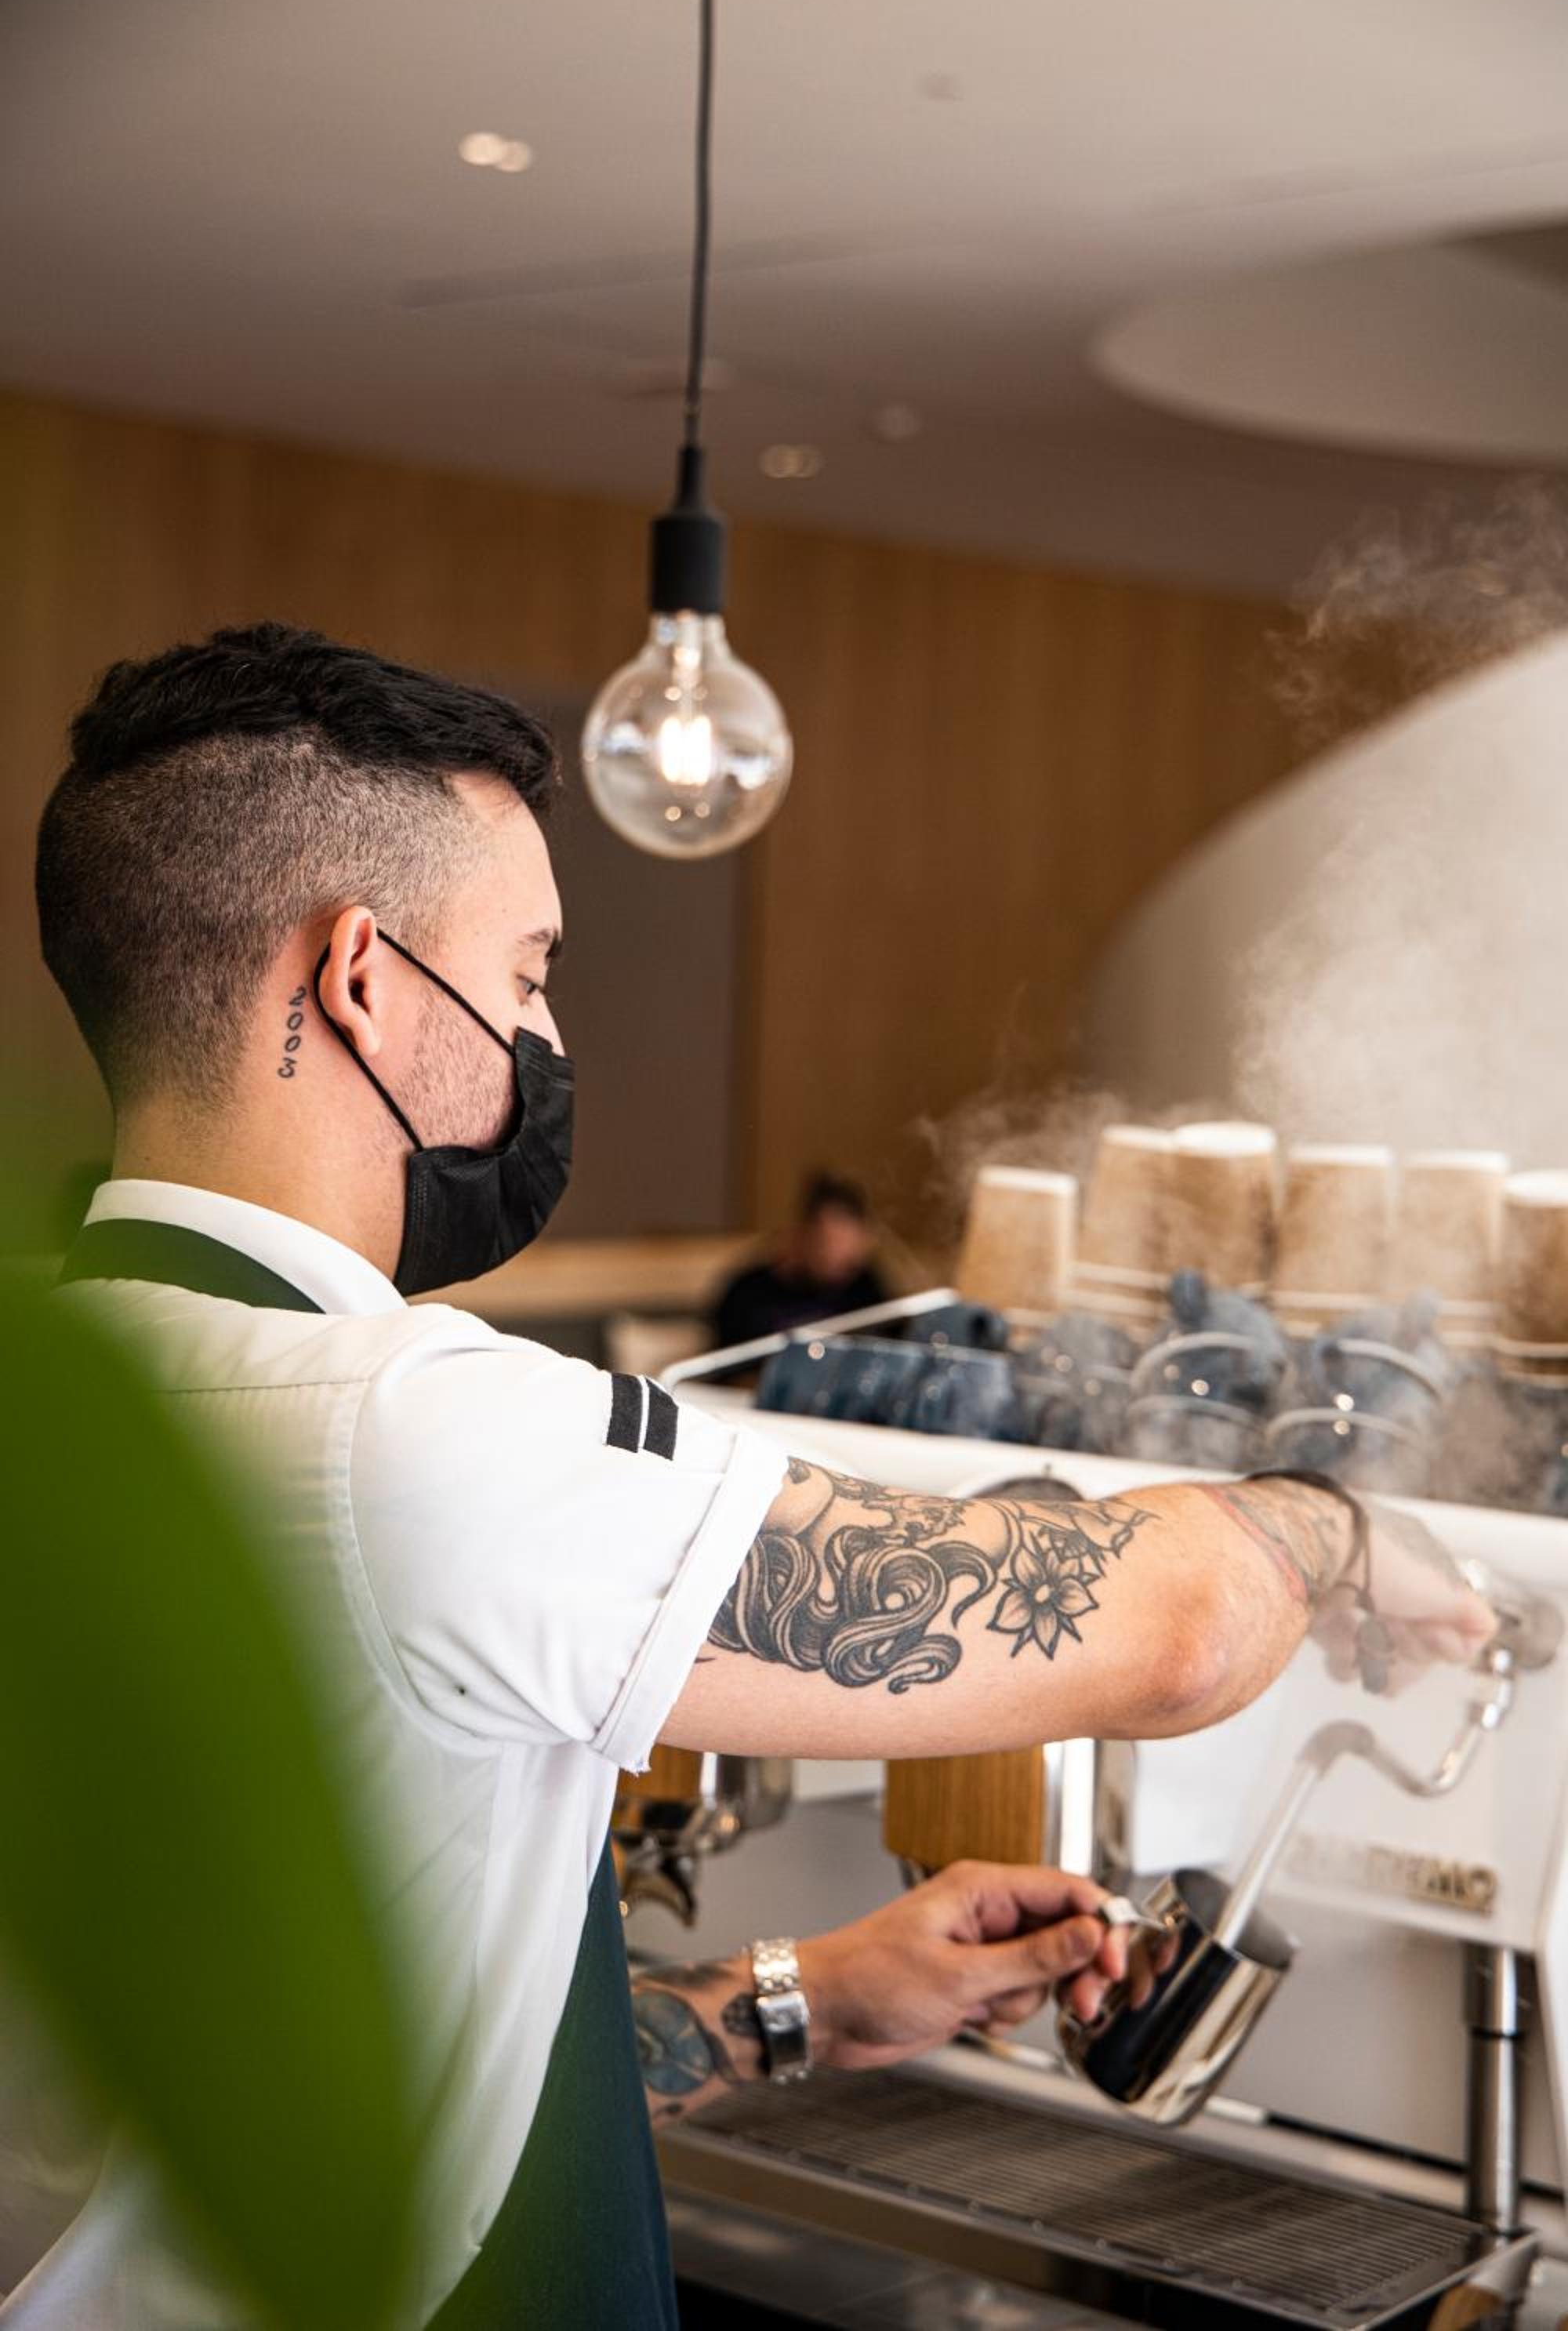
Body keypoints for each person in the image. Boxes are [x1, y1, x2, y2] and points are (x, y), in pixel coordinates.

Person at [15, 623, 1493, 2331]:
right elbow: (1175, 1631)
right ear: (359, 976)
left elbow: (294, 2106)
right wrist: (1340, 1526)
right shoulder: (407, 1434)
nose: (542, 1034)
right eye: (527, 976)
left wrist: (811, 1999)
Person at [710, 1171, 891, 1348]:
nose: (836, 1254)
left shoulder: (867, 1289)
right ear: (803, 1234)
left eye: (846, 1243)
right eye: (827, 1241)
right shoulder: (748, 1293)